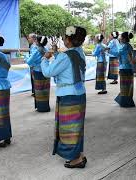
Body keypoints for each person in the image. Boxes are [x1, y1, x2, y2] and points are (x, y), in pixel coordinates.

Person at [41, 26, 87, 168]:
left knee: (68, 129)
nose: (63, 40)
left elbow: (48, 72)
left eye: (64, 38)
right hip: (79, 93)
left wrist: (45, 59)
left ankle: (76, 158)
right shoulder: (80, 53)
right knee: (77, 127)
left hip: (68, 96)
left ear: (68, 40)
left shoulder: (65, 56)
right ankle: (78, 154)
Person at [25, 35, 50, 112]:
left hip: (38, 72)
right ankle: (46, 106)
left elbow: (29, 62)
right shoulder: (46, 49)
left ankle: (41, 107)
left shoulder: (36, 51)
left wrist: (25, 57)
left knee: (39, 90)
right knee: (45, 90)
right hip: (46, 71)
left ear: (37, 41)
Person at [114, 32, 135, 107]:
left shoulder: (124, 47)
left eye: (121, 37)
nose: (120, 39)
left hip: (124, 68)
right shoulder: (129, 46)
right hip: (129, 68)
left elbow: (117, 53)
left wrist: (108, 50)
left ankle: (125, 102)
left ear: (124, 39)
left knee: (124, 86)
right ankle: (128, 101)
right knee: (129, 85)